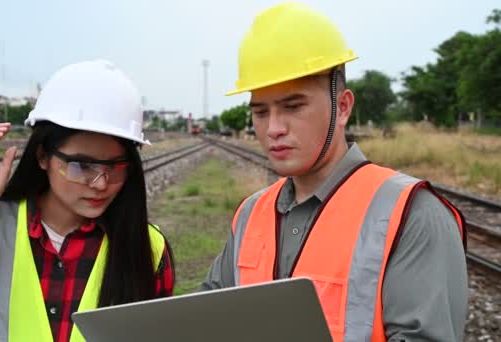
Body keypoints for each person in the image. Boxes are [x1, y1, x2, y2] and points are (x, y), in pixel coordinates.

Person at [200, 3, 467, 341]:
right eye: (261, 112)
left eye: (292, 107)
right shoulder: (251, 214)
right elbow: (208, 315)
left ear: (342, 107)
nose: (273, 128)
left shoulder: (412, 214)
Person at [0, 60, 175, 342]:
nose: (101, 184)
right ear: (42, 156)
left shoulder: (148, 247)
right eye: (81, 166)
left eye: (115, 166)